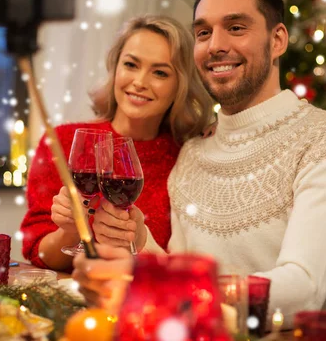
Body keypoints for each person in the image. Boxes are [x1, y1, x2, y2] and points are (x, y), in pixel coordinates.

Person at [74, 0, 326, 328]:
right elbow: (182, 271)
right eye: (203, 32)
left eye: (236, 28)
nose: (215, 45)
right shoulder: (194, 153)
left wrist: (158, 285)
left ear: (277, 41)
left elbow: (302, 290)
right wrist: (140, 239)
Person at [20, 15, 214, 271]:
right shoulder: (63, 142)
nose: (140, 82)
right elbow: (39, 254)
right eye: (131, 65)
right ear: (115, 69)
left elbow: (186, 264)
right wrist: (70, 231)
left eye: (160, 72)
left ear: (180, 86)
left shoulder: (188, 155)